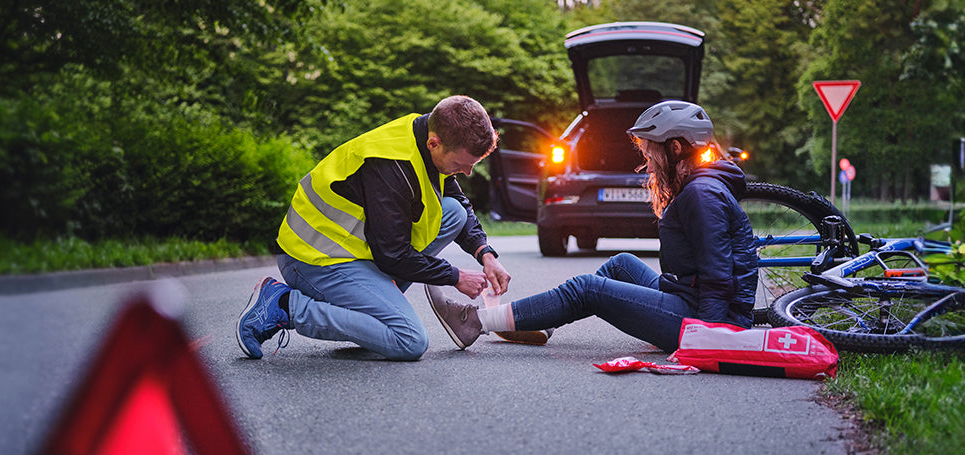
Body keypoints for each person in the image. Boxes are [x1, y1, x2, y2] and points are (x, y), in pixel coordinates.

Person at [426, 100, 757, 352]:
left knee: (588, 289)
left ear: (675, 148)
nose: (646, 161)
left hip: (705, 320)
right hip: (687, 298)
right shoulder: (700, 185)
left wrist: (710, 341)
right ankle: (543, 322)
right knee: (621, 264)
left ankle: (476, 323)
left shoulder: (702, 194)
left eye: (651, 151)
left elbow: (718, 277)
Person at [236, 96, 512, 361]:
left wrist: (485, 254)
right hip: (313, 260)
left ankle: (374, 313)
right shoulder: (390, 166)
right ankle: (284, 305)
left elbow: (460, 204)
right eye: (459, 165)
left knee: (452, 213)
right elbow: (392, 255)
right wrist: (455, 276)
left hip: (357, 251)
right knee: (410, 340)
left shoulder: (428, 137)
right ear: (434, 143)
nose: (466, 173)